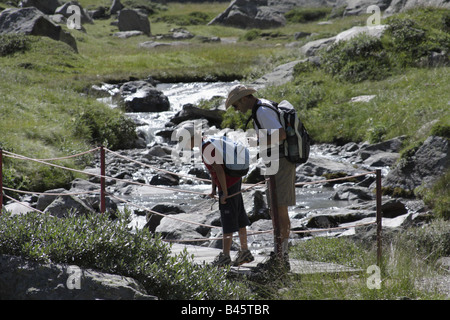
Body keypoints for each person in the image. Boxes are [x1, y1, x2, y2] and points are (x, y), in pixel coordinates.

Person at [225, 84, 296, 272]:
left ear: (243, 99)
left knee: (279, 210)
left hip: (279, 162)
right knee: (276, 209)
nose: (236, 109)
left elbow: (280, 135)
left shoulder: (262, 111)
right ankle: (280, 254)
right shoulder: (262, 108)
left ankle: (281, 257)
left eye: (235, 105)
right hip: (275, 161)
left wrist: (256, 141)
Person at [180, 122, 254, 267]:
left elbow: (219, 170)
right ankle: (244, 251)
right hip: (235, 179)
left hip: (229, 183)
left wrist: (224, 193)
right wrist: (214, 190)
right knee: (239, 215)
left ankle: (225, 257)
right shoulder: (207, 141)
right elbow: (214, 171)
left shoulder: (206, 147)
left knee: (227, 220)